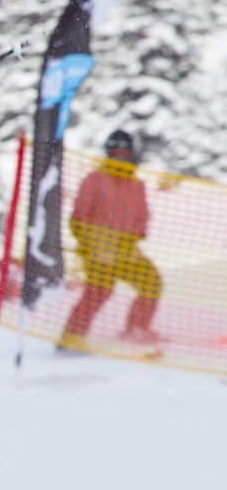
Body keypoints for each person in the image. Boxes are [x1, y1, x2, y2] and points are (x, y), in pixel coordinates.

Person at [60, 129, 162, 353]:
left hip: (126, 251)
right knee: (98, 292)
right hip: (98, 252)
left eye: (123, 152)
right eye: (114, 152)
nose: (119, 157)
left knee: (151, 282)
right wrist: (87, 244)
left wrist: (136, 235)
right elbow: (78, 216)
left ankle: (136, 328)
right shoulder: (95, 180)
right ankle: (71, 338)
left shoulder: (136, 185)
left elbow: (142, 216)